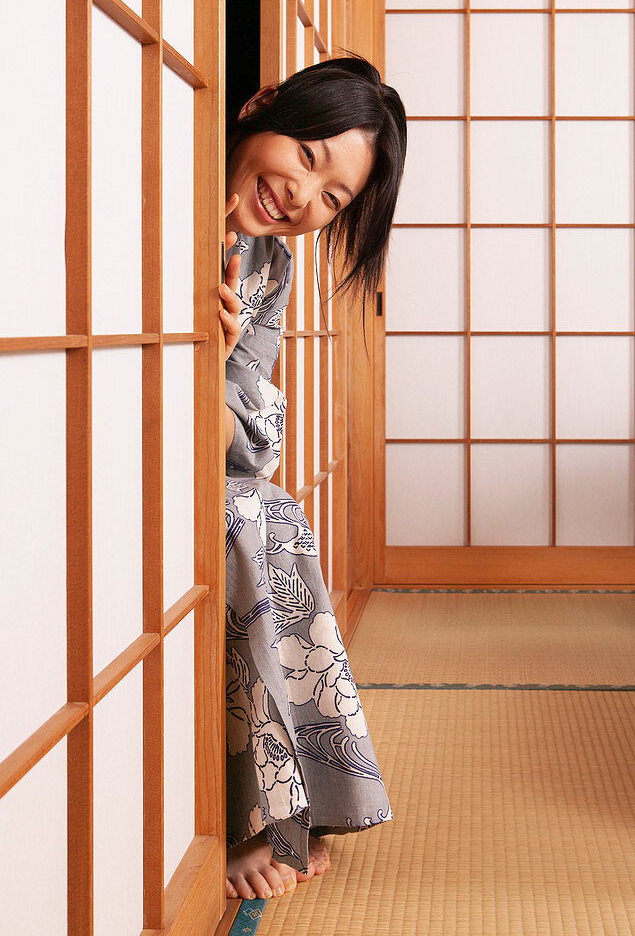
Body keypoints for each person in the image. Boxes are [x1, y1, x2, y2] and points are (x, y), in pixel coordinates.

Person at [219, 55, 407, 902]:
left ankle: (295, 801)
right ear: (261, 108)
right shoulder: (151, 190)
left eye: (331, 198)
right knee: (256, 521)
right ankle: (255, 815)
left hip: (190, 455)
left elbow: (254, 441)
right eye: (304, 152)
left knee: (271, 507)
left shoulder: (269, 265)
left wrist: (207, 357)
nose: (300, 195)